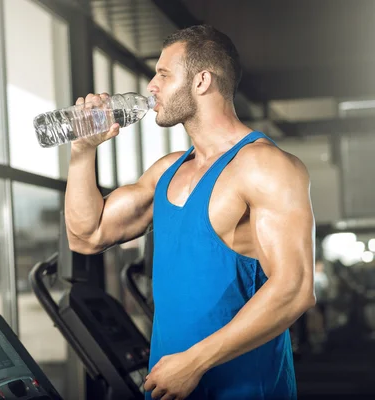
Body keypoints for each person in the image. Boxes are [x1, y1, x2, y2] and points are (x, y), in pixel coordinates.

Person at [64, 25, 316, 399]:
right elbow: (87, 235)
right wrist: (82, 153)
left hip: (244, 389)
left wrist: (194, 362)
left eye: (163, 75)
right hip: (171, 387)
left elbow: (294, 289)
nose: (151, 86)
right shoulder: (167, 171)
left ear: (201, 81)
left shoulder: (265, 166)